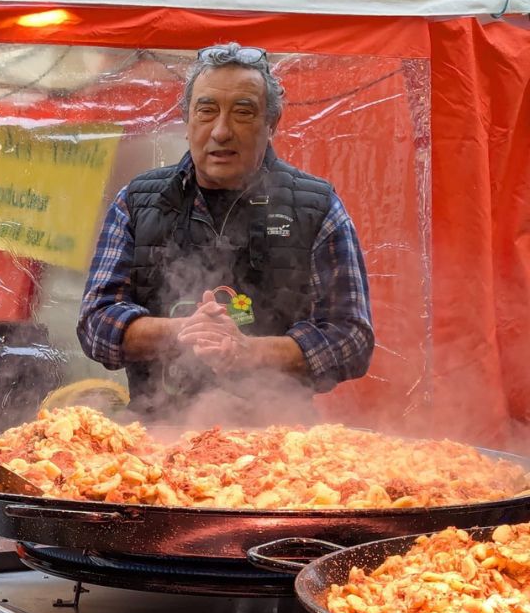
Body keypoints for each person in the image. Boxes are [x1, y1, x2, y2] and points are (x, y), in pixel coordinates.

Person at [77, 42, 374, 424]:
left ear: (272, 125)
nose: (221, 131)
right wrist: (184, 332)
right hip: (156, 438)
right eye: (206, 111)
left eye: (243, 113)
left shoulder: (317, 207)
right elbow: (95, 323)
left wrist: (249, 352)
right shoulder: (137, 202)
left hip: (283, 445)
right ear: (187, 120)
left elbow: (351, 339)